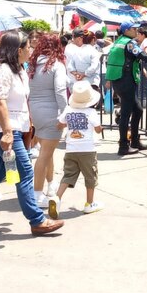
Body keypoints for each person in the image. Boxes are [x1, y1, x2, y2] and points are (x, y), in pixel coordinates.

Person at [0, 31, 64, 237]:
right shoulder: (2, 70)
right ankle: (37, 220)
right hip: (4, 131)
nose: (31, 50)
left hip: (11, 130)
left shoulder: (18, 69)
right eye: (28, 47)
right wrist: (8, 133)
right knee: (25, 172)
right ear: (19, 50)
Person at [104, 21, 147, 156]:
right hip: (126, 81)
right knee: (126, 114)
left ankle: (134, 141)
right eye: (134, 28)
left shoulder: (119, 41)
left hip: (120, 80)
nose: (136, 31)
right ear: (127, 30)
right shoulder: (129, 43)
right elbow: (144, 56)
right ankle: (123, 145)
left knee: (138, 110)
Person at [48, 81, 104, 218]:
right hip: (87, 150)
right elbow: (97, 130)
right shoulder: (91, 112)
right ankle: (89, 203)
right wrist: (99, 128)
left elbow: (59, 125)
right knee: (90, 176)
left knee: (68, 175)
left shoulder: (68, 110)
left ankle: (57, 198)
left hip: (71, 149)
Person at [28, 33, 68, 208]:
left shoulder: (33, 65)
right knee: (44, 155)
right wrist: (65, 114)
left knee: (46, 151)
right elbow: (60, 91)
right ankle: (37, 194)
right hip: (52, 112)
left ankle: (50, 185)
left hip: (35, 112)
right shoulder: (57, 65)